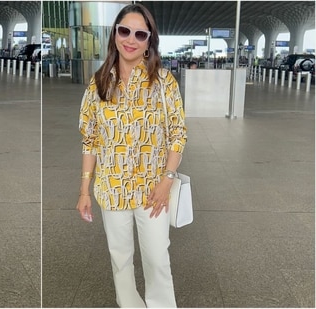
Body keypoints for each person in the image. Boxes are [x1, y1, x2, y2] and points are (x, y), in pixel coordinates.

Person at [76, 3, 187, 308]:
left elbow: (178, 134)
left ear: (150, 41)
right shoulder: (99, 82)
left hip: (153, 192)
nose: (131, 39)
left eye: (140, 34)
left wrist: (167, 181)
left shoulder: (164, 82)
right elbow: (91, 139)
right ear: (115, 34)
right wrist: (84, 189)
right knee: (120, 260)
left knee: (156, 259)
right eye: (125, 31)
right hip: (111, 189)